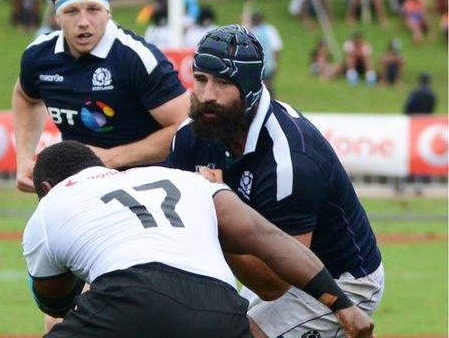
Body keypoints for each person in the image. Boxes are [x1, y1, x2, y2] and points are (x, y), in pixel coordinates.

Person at [23, 140, 376, 338]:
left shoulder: (53, 202)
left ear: (45, 188)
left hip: (131, 297)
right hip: (219, 308)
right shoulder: (183, 179)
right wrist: (342, 305)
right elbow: (266, 237)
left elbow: (53, 302)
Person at [167, 25, 384, 338]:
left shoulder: (290, 161)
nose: (208, 95)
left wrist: (213, 207)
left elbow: (274, 285)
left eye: (224, 82)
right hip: (264, 258)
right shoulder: (192, 135)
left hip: (339, 280)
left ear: (251, 90)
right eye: (200, 79)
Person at [12, 0, 190, 194]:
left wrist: (110, 157)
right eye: (72, 11)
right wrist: (24, 158)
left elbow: (186, 128)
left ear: (108, 12)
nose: (83, 22)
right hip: (84, 187)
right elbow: (26, 97)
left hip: (151, 186)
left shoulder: (137, 58)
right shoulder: (39, 56)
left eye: (93, 9)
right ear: (56, 16)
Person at [249, 11, 282, 96]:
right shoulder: (251, 30)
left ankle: (269, 103)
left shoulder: (268, 30)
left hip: (266, 64)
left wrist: (275, 64)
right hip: (256, 64)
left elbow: (276, 48)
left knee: (266, 86)